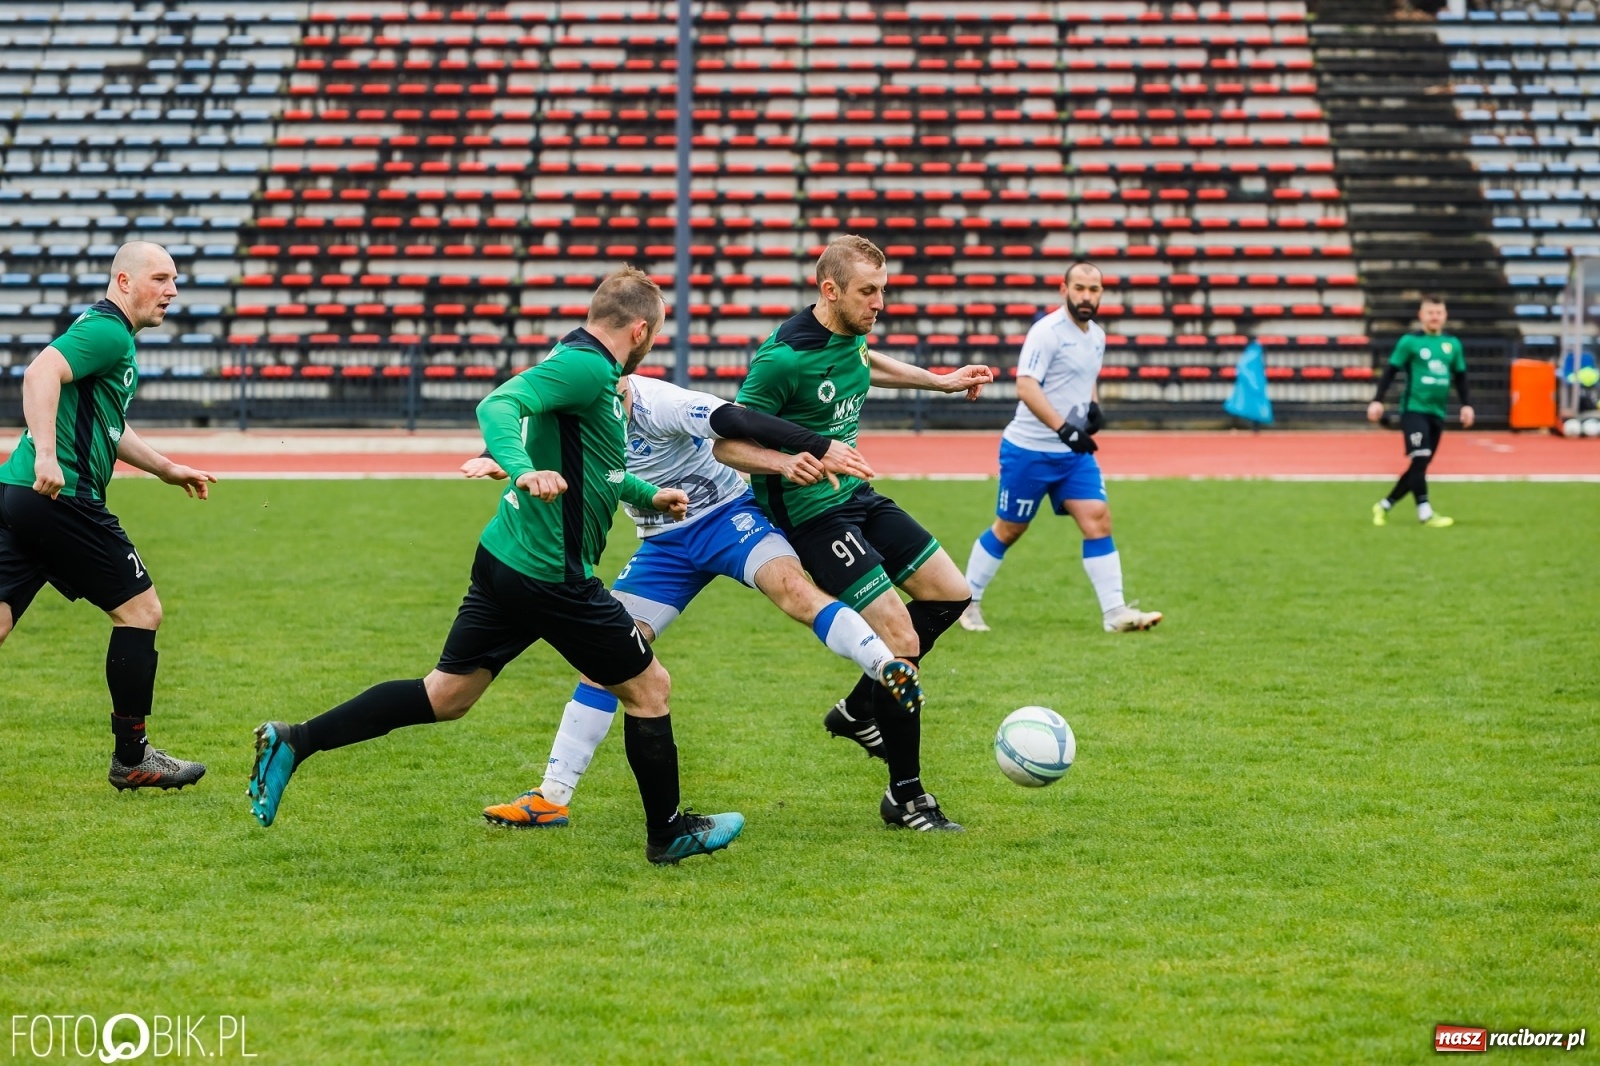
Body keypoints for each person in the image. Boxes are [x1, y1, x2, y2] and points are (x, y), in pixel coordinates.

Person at [247, 268, 743, 865]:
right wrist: (518, 467)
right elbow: (499, 403)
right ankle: (668, 834)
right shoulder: (585, 368)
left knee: (446, 696)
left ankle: (295, 742)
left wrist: (646, 492)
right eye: (654, 335)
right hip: (548, 573)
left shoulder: (592, 368)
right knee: (649, 687)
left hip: (506, 559)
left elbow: (597, 466)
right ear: (640, 329)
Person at [467, 371, 923, 828]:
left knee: (793, 590)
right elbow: (524, 427)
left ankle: (884, 666)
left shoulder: (658, 401)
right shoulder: (578, 401)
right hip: (663, 544)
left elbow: (731, 419)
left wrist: (795, 455)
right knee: (605, 662)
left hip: (729, 518)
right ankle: (551, 797)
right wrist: (494, 456)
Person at [735, 234, 993, 833]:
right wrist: (781, 463)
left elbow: (866, 360)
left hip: (856, 494)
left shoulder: (850, 332)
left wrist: (941, 381)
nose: (880, 303)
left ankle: (857, 707)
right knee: (900, 637)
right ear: (829, 291)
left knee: (951, 595)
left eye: (882, 290)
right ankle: (906, 798)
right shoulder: (782, 359)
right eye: (868, 292)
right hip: (811, 515)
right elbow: (729, 438)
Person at [0, 241, 216, 791]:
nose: (172, 291)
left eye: (175, 280)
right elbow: (39, 374)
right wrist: (47, 454)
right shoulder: (109, 331)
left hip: (19, 494)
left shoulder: (111, 337)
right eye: (161, 279)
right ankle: (133, 757)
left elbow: (109, 426)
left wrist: (165, 468)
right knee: (141, 612)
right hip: (61, 497)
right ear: (124, 282)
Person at [959, 262, 1163, 635]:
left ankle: (1115, 612)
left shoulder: (1096, 336)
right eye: (1080, 288)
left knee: (1098, 518)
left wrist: (1093, 407)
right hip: (1029, 450)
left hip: (1071, 455)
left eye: (1094, 289)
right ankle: (965, 604)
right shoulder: (1047, 333)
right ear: (1064, 290)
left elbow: (1086, 379)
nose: (1087, 296)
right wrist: (1064, 428)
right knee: (1009, 529)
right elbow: (1026, 386)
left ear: (1102, 293)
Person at [1368, 295, 1475, 528]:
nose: (1434, 317)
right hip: (1414, 410)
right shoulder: (1410, 342)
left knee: (1420, 464)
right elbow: (1390, 371)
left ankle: (1385, 505)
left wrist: (1466, 404)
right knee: (1420, 458)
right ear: (1421, 315)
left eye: (1439, 312)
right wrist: (1378, 400)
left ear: (1445, 316)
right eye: (1430, 312)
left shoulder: (1452, 344)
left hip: (1437, 412)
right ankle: (1425, 513)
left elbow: (1461, 376)